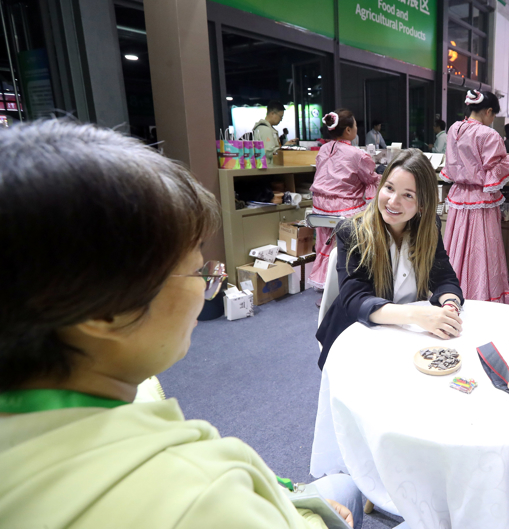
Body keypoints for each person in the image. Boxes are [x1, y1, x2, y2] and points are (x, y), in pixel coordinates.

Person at [0, 120, 364, 528]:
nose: (208, 285)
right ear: (103, 312)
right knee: (344, 489)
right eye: (198, 272)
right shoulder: (201, 496)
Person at [316, 149, 465, 367]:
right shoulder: (352, 231)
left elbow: (445, 278)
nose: (393, 202)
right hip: (357, 334)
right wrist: (416, 315)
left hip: (405, 334)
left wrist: (450, 305)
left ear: (422, 204)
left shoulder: (429, 227)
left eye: (408, 195)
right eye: (389, 188)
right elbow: (355, 300)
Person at [441, 89, 509, 304]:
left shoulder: (454, 129)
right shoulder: (488, 135)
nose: (493, 119)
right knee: (481, 250)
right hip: (481, 199)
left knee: (457, 246)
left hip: (459, 196)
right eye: (493, 114)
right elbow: (496, 170)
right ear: (488, 111)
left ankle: (452, 293)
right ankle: (480, 296)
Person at [307, 109, 380, 291]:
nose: (356, 128)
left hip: (319, 210)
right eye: (355, 125)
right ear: (348, 130)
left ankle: (326, 287)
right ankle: (355, 283)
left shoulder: (323, 149)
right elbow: (370, 179)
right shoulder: (357, 154)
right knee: (373, 221)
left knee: (326, 245)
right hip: (344, 211)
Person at [252, 100, 285, 166]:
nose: (281, 119)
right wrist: (284, 149)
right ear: (272, 113)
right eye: (280, 116)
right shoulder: (265, 129)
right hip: (269, 167)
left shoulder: (266, 128)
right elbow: (269, 152)